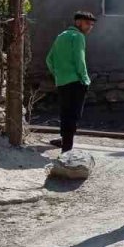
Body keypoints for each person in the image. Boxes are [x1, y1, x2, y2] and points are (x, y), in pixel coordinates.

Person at [45, 11, 96, 152]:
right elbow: (80, 60)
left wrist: (58, 74)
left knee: (65, 113)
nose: (90, 27)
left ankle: (64, 141)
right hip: (76, 82)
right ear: (78, 22)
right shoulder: (78, 37)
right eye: (87, 23)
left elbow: (49, 59)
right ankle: (67, 149)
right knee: (74, 115)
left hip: (62, 82)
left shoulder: (60, 36)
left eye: (91, 25)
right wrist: (85, 79)